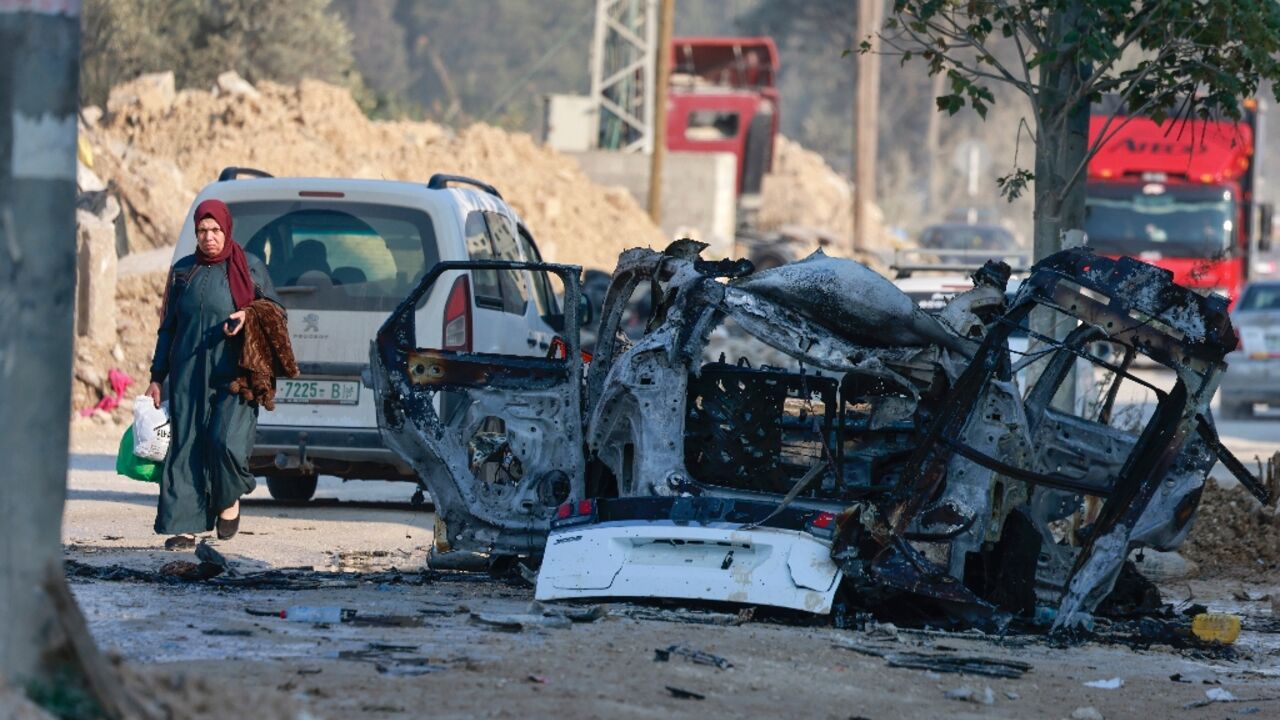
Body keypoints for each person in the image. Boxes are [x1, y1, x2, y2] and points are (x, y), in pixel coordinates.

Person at [146, 199, 282, 550]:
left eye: (215, 230)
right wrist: (157, 376)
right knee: (186, 446)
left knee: (225, 443)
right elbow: (168, 328)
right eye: (202, 231)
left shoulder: (249, 268)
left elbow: (276, 312)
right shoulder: (183, 271)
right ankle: (184, 525)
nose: (209, 237)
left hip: (236, 374)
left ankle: (228, 500)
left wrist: (249, 316)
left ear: (227, 230)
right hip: (188, 372)